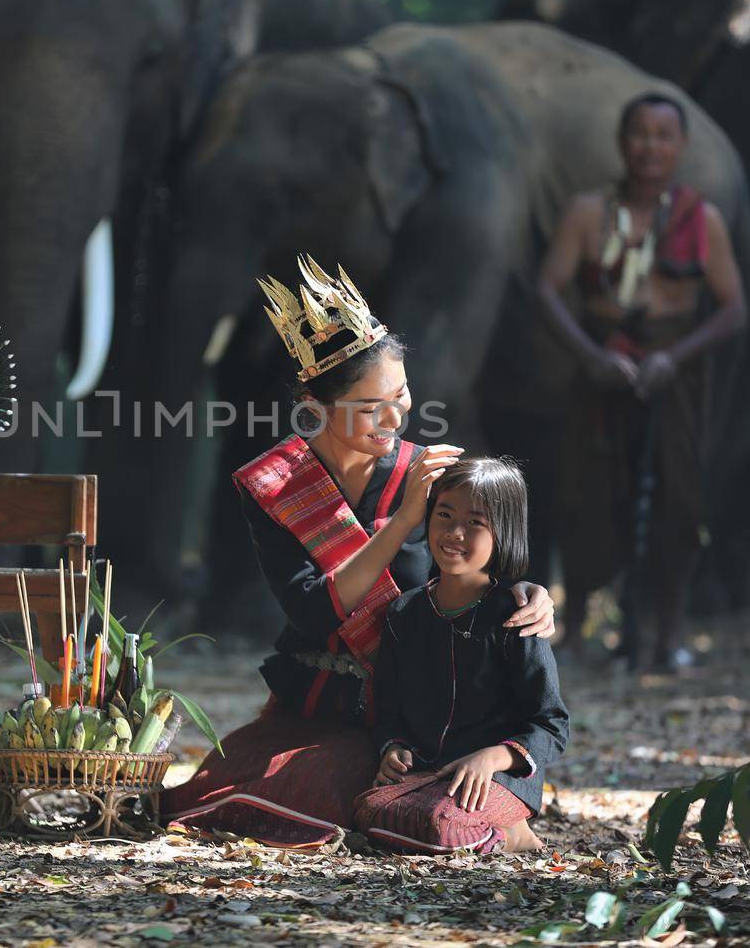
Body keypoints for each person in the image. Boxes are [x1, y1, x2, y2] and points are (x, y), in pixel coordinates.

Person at [161, 256, 557, 848]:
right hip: (321, 699)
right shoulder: (275, 485)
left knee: (354, 793)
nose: (397, 417)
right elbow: (314, 612)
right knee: (241, 787)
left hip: (428, 703)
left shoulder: (428, 474)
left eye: (402, 395)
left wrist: (532, 593)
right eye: (373, 407)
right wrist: (401, 523)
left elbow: (480, 559)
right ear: (316, 406)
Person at [535, 93, 746, 672]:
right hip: (602, 372)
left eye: (663, 135)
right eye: (640, 133)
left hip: (671, 380)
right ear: (622, 142)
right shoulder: (587, 213)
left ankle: (666, 635)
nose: (650, 146)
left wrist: (673, 358)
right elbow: (548, 288)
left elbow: (733, 308)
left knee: (678, 501)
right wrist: (590, 354)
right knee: (587, 494)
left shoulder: (701, 219)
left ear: (680, 147)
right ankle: (575, 630)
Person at [354, 458, 569, 854]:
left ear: (503, 531)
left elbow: (551, 724)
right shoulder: (404, 613)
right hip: (426, 772)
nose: (454, 533)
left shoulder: (515, 615)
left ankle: (513, 832)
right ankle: (472, 830)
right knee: (369, 810)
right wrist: (393, 748)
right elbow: (388, 709)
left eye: (475, 523)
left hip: (497, 777)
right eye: (444, 515)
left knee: (442, 827)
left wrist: (493, 757)